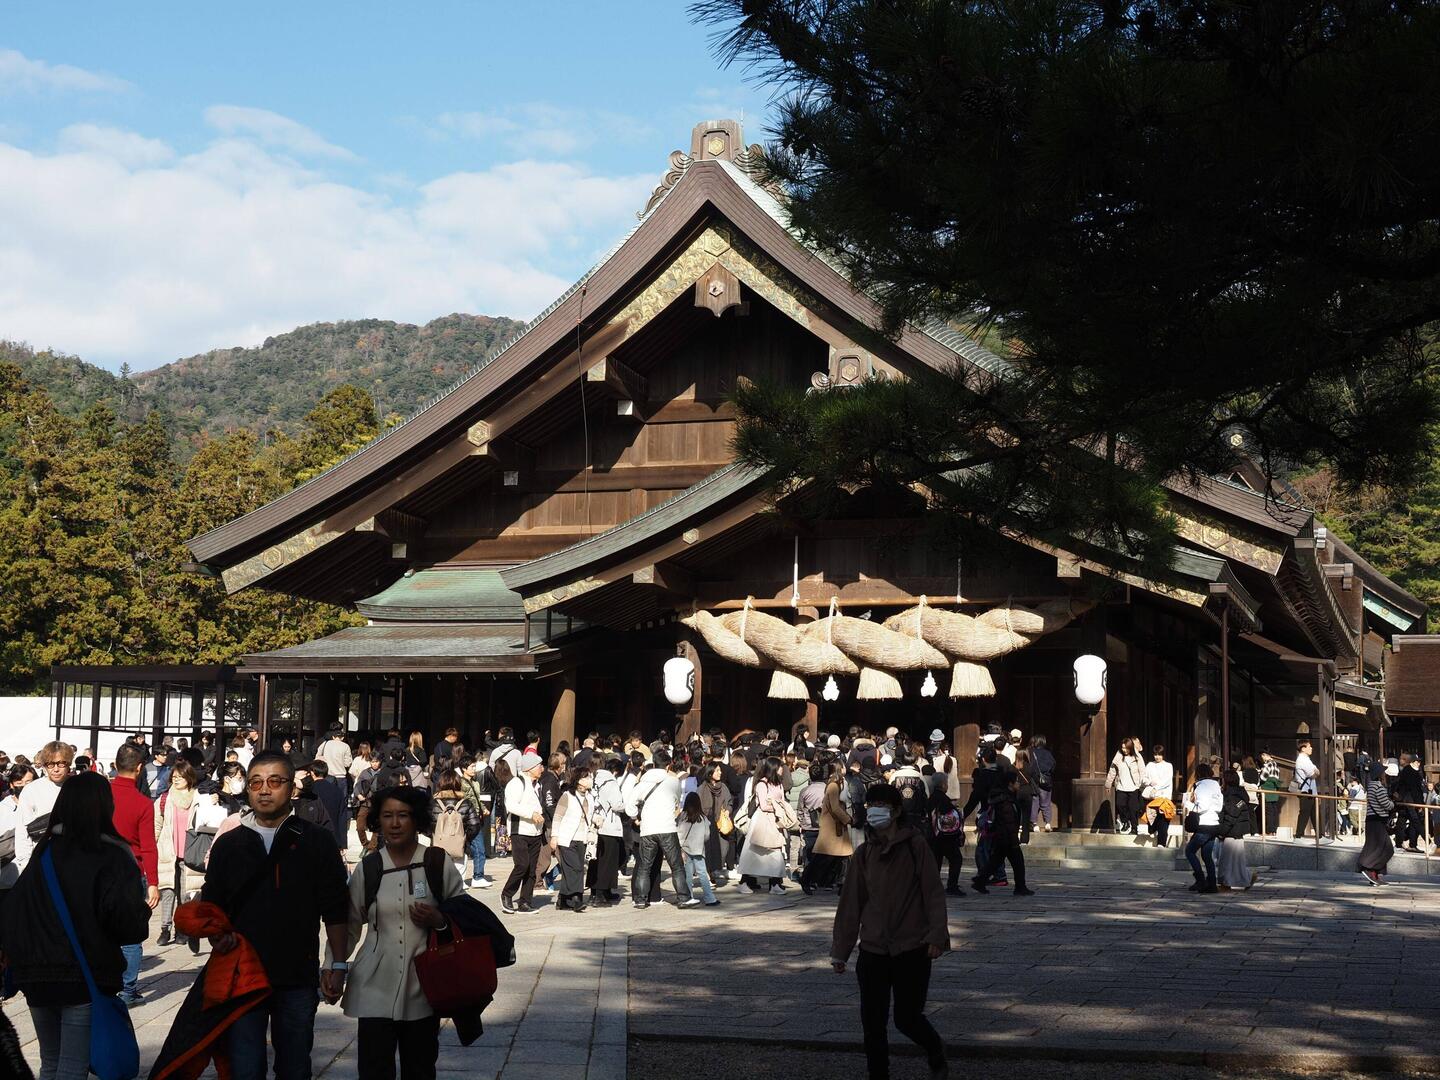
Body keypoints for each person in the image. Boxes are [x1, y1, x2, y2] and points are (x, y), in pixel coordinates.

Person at [201, 751, 350, 1080]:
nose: (264, 789)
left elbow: (336, 909)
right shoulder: (229, 844)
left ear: (291, 788)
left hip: (297, 975)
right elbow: (212, 905)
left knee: (295, 1066)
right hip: (242, 976)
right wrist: (216, 933)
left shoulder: (317, 841)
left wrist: (337, 964)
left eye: (274, 781)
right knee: (245, 1067)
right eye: (256, 782)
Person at [0, 772, 151, 1080]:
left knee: (51, 1062)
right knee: (72, 1065)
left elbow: (14, 909)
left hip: (35, 974)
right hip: (82, 973)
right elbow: (126, 922)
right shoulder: (110, 853)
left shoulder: (44, 851)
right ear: (103, 806)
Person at [330, 785, 465, 1080]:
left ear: (416, 820)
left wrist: (439, 920)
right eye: (387, 815)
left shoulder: (437, 863)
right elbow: (350, 923)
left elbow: (464, 919)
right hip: (375, 981)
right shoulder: (370, 868)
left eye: (403, 815)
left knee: (420, 1066)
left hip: (424, 983)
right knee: (374, 1068)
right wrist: (335, 965)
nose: (394, 823)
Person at [831, 783, 949, 1080]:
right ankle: (878, 1074)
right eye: (871, 805)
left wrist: (937, 935)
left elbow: (932, 892)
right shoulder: (863, 854)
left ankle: (934, 1047)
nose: (875, 811)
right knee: (873, 1022)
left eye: (881, 805)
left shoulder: (915, 845)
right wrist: (841, 949)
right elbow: (851, 904)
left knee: (907, 1019)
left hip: (912, 946)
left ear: (896, 810)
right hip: (873, 948)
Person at [110, 743, 160, 1007]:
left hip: (101, 870)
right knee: (131, 934)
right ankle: (127, 989)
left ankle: (107, 984)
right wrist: (153, 882)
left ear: (116, 764)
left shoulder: (102, 794)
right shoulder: (142, 803)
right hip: (131, 870)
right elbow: (148, 845)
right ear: (140, 768)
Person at [625, 750, 690, 909]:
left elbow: (629, 807)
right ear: (668, 766)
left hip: (648, 828)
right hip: (667, 826)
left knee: (644, 867)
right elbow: (677, 800)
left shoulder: (643, 782)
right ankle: (683, 898)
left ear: (653, 764)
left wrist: (636, 818)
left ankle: (640, 899)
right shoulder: (673, 781)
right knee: (676, 865)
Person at [155, 759, 199, 949]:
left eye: (180, 777)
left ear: (189, 778)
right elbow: (156, 824)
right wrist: (154, 846)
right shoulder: (165, 799)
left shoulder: (198, 798)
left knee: (185, 894)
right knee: (167, 891)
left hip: (189, 852)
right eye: (174, 777)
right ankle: (165, 928)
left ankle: (182, 929)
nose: (177, 780)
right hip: (168, 850)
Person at [971, 771, 1032, 896]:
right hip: (1006, 837)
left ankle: (980, 880)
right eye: (1016, 781)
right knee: (1018, 862)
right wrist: (1014, 839)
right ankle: (1020, 887)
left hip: (1002, 837)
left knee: (995, 861)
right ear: (1010, 784)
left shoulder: (1006, 797)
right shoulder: (1005, 801)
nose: (1018, 783)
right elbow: (1008, 822)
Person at [15, 742, 72, 871]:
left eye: (61, 763)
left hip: (73, 861)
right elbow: (22, 831)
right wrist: (25, 865)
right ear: (44, 766)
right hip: (41, 860)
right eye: (50, 764)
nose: (56, 769)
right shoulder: (32, 790)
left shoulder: (78, 787)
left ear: (68, 764)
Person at [501, 752, 546, 915]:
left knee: (532, 869)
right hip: (519, 830)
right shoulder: (516, 783)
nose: (542, 768)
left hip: (535, 831)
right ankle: (507, 894)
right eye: (539, 765)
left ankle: (525, 901)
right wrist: (531, 813)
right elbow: (511, 805)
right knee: (522, 865)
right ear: (529, 768)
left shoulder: (538, 785)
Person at [735, 757, 789, 894]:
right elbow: (764, 805)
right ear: (774, 769)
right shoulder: (761, 784)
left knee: (775, 853)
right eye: (780, 766)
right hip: (762, 821)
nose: (783, 769)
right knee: (754, 853)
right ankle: (744, 881)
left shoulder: (779, 784)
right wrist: (778, 806)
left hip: (775, 821)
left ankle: (775, 883)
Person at [549, 766, 595, 912]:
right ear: (579, 781)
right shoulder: (567, 796)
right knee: (575, 868)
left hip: (583, 838)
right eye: (586, 777)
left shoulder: (590, 797)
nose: (590, 780)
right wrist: (554, 836)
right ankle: (576, 899)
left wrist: (598, 819)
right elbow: (557, 817)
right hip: (567, 837)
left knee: (573, 868)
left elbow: (592, 815)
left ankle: (562, 900)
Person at [429, 768, 481, 887]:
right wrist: (464, 837)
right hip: (460, 847)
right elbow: (475, 825)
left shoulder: (433, 803)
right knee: (458, 883)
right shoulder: (465, 802)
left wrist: (434, 834)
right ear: (458, 783)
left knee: (439, 881)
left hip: (438, 845)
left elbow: (426, 823)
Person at [587, 758, 625, 905]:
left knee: (596, 861)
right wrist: (625, 806)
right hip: (609, 826)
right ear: (615, 771)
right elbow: (616, 805)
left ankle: (594, 893)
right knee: (608, 862)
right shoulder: (611, 782)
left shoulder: (594, 779)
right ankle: (601, 895)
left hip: (596, 824)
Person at [1184, 763, 1224, 894]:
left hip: (1204, 824)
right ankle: (1211, 883)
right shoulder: (1216, 786)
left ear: (1198, 774)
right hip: (1214, 823)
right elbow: (1219, 807)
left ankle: (1200, 879)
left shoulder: (1201, 787)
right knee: (1207, 856)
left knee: (1190, 851)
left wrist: (1189, 805)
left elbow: (1202, 806)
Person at [1217, 769, 1256, 890]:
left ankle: (1227, 883)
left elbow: (1231, 814)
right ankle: (1245, 878)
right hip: (1238, 831)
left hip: (1232, 831)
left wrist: (1222, 831)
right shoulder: (1240, 794)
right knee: (1236, 860)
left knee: (1227, 860)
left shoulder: (1232, 795)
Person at [676, 792, 717, 907]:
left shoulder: (682, 816)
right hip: (698, 849)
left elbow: (677, 831)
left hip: (685, 849)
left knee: (688, 875)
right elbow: (707, 835)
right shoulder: (702, 817)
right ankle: (709, 898)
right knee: (703, 874)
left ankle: (689, 896)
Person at [1359, 762, 1395, 886]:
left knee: (1376, 847)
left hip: (1372, 820)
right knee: (1387, 848)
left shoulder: (1371, 785)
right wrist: (1393, 803)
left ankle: (1375, 875)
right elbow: (1386, 804)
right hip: (1377, 820)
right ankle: (1368, 868)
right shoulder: (1378, 786)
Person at [1106, 738, 1146, 834]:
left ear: (1131, 748)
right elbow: (1112, 770)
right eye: (1123, 748)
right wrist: (1108, 784)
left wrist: (1142, 785)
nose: (1124, 750)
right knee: (1120, 805)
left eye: (1126, 748)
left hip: (1134, 787)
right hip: (1121, 786)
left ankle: (1134, 828)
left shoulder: (1137, 757)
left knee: (1133, 809)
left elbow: (1142, 771)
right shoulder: (1118, 756)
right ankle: (1125, 821)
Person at [310, 760, 349, 853]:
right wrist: (343, 843)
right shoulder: (337, 791)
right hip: (333, 838)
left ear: (312, 773)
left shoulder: (309, 791)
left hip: (313, 837)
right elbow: (342, 817)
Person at [1392, 752, 1425, 852]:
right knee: (1414, 821)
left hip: (1406, 800)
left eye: (1419, 761)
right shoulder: (1410, 771)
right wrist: (1420, 804)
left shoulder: (1411, 771)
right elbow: (1414, 789)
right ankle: (1427, 842)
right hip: (1408, 800)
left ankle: (1405, 844)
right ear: (1413, 761)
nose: (1419, 763)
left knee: (1404, 821)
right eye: (1417, 761)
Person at [1026, 735, 1056, 831]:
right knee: (1046, 802)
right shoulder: (1048, 754)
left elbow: (1029, 767)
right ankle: (1047, 823)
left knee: (1035, 802)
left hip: (1034, 781)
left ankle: (1034, 824)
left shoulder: (1031, 753)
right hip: (1046, 780)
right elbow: (1053, 765)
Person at [1293, 739, 1320, 839]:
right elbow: (1313, 773)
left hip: (1310, 790)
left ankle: (1320, 836)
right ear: (1303, 748)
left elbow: (1316, 770)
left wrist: (1316, 771)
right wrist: (1316, 771)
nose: (1311, 748)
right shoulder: (1302, 760)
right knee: (1304, 813)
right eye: (1309, 746)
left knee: (1314, 813)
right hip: (1305, 790)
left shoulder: (1306, 759)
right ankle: (1298, 836)